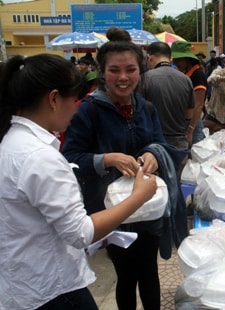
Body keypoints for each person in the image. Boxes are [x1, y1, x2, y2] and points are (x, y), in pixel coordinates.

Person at [0, 53, 158, 310]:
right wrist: (139, 196)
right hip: (52, 289)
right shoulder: (41, 157)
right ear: (53, 99)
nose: (76, 107)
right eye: (73, 100)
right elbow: (80, 233)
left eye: (131, 69)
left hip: (24, 284)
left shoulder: (12, 142)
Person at [62, 27, 188, 310]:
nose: (123, 77)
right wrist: (107, 159)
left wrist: (152, 153)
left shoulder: (146, 107)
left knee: (150, 271)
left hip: (149, 205)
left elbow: (159, 142)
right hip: (113, 212)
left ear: (140, 70)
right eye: (114, 70)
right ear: (101, 71)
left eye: (130, 69)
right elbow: (70, 156)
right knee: (126, 275)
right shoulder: (88, 111)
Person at [141, 41, 196, 150]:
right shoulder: (186, 79)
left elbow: (139, 112)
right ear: (170, 59)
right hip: (180, 145)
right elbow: (189, 113)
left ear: (149, 57)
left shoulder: (145, 79)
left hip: (153, 146)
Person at [171, 40, 208, 145]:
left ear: (188, 59)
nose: (176, 63)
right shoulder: (186, 74)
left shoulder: (197, 75)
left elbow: (199, 105)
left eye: (179, 60)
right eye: (175, 59)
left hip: (193, 125)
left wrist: (190, 131)